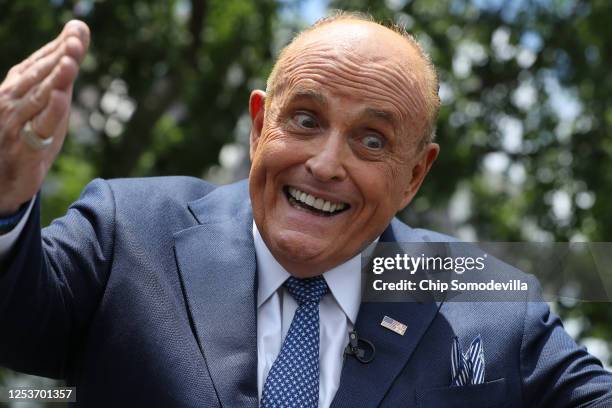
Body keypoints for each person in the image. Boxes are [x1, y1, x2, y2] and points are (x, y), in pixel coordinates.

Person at [0, 12, 611, 408]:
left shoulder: (491, 302)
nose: (324, 163)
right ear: (260, 124)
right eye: (305, 120)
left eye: (372, 140)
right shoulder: (129, 230)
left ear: (415, 175)